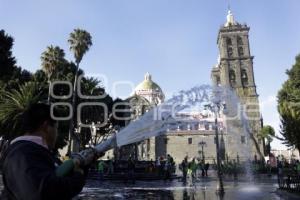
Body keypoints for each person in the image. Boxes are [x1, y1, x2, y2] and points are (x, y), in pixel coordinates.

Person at [1, 103, 86, 200]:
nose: (56, 134)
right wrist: (78, 177)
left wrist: (83, 165)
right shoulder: (22, 153)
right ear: (46, 127)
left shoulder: (35, 152)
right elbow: (40, 192)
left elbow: (58, 175)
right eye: (56, 128)